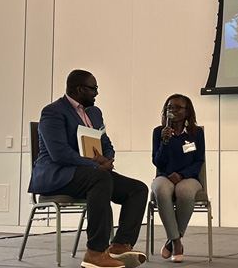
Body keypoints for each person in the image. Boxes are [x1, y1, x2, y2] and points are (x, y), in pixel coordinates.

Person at [28, 70, 148, 268]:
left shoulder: (94, 113)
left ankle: (119, 245)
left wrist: (107, 159)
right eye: (94, 89)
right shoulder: (52, 112)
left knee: (137, 189)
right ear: (80, 89)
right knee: (101, 178)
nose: (97, 93)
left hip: (90, 174)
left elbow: (106, 142)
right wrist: (96, 165)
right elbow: (59, 153)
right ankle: (95, 252)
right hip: (57, 175)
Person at [151, 94, 205, 263]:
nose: (173, 111)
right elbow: (157, 161)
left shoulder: (196, 133)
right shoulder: (158, 132)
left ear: (187, 111)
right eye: (169, 107)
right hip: (165, 176)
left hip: (189, 176)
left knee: (185, 192)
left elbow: (199, 160)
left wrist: (182, 175)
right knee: (160, 189)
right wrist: (164, 142)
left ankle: (171, 241)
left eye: (178, 107)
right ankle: (177, 242)